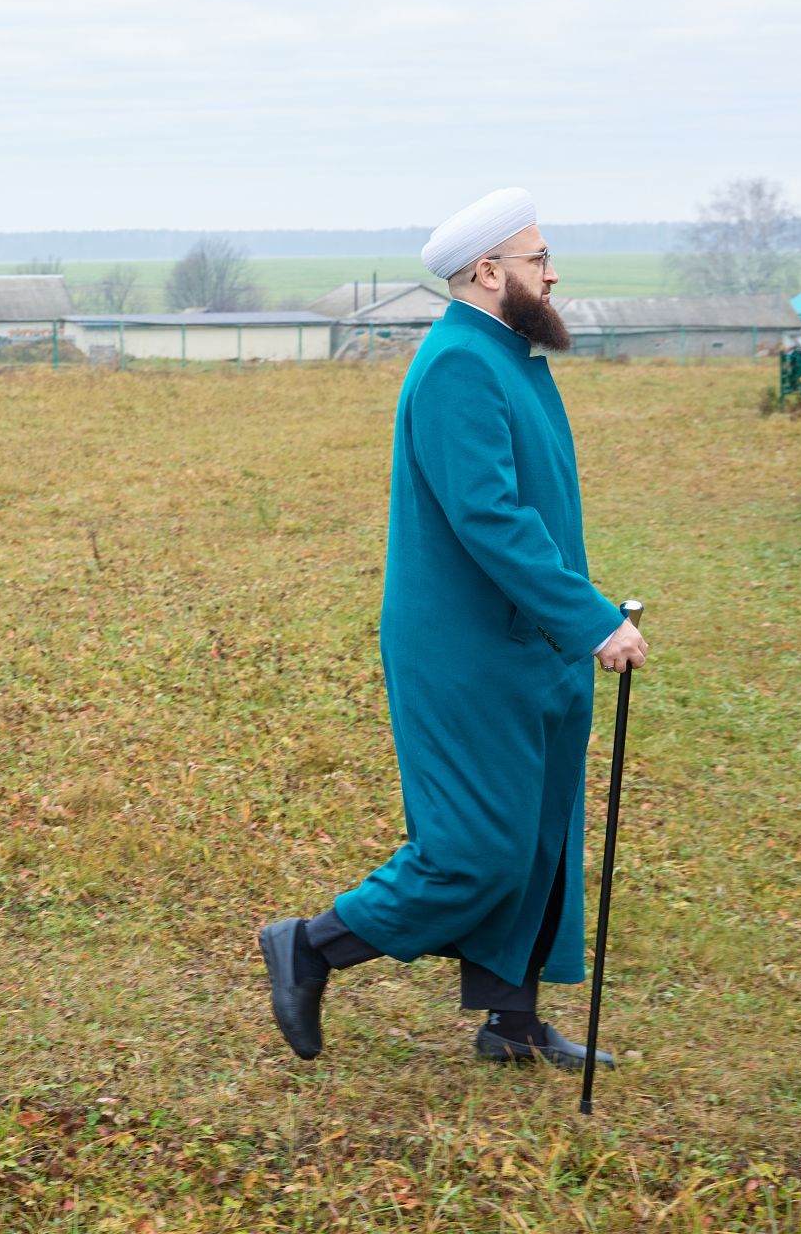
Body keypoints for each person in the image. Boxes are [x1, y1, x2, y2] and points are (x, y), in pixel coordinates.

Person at [258, 187, 647, 1068]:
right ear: (487, 272)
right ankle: (311, 946)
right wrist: (592, 619)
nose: (553, 273)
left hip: (531, 641)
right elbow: (490, 518)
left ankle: (510, 1023)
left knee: (541, 830)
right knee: (477, 848)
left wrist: (572, 622)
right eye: (538, 259)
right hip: (467, 650)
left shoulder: (508, 355)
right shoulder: (460, 365)